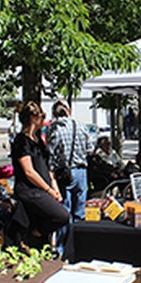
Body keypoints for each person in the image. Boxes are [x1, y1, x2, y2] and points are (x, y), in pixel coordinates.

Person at [12, 102, 70, 249]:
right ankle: (35, 233)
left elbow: (47, 166)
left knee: (56, 213)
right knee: (62, 215)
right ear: (33, 118)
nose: (44, 119)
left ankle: (38, 240)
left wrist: (54, 186)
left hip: (43, 187)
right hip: (30, 190)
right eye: (42, 116)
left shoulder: (38, 141)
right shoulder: (22, 142)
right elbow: (29, 171)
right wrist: (48, 190)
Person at [47, 100, 94, 248]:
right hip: (81, 171)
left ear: (55, 113)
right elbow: (90, 149)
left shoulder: (55, 128)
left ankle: (62, 247)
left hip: (64, 173)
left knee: (64, 212)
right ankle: (78, 246)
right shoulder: (81, 125)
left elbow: (50, 153)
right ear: (68, 111)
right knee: (79, 211)